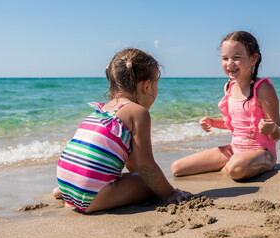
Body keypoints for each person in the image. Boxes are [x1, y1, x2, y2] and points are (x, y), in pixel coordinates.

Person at [53, 48, 190, 213]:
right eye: (156, 84)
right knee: (150, 183)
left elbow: (131, 163)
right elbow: (144, 164)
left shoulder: (103, 109)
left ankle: (68, 192)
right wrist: (170, 193)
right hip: (91, 197)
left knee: (140, 178)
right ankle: (84, 193)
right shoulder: (138, 113)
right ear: (147, 86)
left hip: (65, 181)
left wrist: (136, 175)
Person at [171, 31, 280, 180]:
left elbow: (278, 134)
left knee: (236, 168)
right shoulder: (229, 87)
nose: (230, 63)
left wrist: (272, 128)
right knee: (177, 168)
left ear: (253, 59)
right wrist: (212, 121)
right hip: (235, 150)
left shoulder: (263, 89)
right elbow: (234, 122)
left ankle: (229, 168)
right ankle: (229, 167)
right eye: (225, 58)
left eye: (236, 58)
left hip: (263, 153)